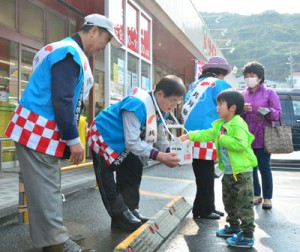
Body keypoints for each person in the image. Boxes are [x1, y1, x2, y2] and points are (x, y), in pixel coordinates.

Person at [5, 14, 122, 252]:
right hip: (38, 131)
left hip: (36, 129)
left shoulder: (60, 49)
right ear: (93, 31)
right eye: (106, 40)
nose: (103, 47)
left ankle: (52, 242)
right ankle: (57, 244)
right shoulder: (69, 53)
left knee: (45, 188)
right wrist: (73, 140)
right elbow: (63, 100)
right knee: (47, 189)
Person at [87, 75, 185, 231]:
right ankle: (119, 215)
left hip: (124, 141)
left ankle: (131, 209)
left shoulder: (162, 109)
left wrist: (170, 152)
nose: (174, 105)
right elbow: (132, 142)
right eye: (173, 100)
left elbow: (159, 136)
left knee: (134, 167)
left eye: (177, 101)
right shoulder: (137, 104)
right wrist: (159, 156)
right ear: (159, 93)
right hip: (104, 135)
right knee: (106, 178)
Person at [180, 89, 257, 248]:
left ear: (232, 107)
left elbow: (241, 144)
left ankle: (248, 236)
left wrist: (222, 139)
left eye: (221, 104)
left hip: (242, 173)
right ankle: (234, 227)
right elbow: (206, 134)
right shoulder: (220, 125)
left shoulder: (238, 124)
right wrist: (189, 136)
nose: (217, 107)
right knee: (229, 203)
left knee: (244, 206)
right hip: (229, 172)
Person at [181, 56, 231, 219]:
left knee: (204, 172)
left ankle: (209, 206)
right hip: (208, 134)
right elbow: (231, 101)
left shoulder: (194, 85)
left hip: (192, 135)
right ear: (221, 73)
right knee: (206, 174)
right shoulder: (219, 84)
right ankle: (202, 210)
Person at [241, 61, 282, 210]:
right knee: (251, 168)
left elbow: (277, 114)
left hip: (264, 137)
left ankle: (267, 198)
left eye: (252, 76)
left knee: (264, 167)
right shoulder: (243, 94)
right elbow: (237, 116)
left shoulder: (270, 93)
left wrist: (265, 111)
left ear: (260, 77)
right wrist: (243, 109)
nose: (249, 79)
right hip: (247, 137)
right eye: (246, 76)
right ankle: (256, 195)